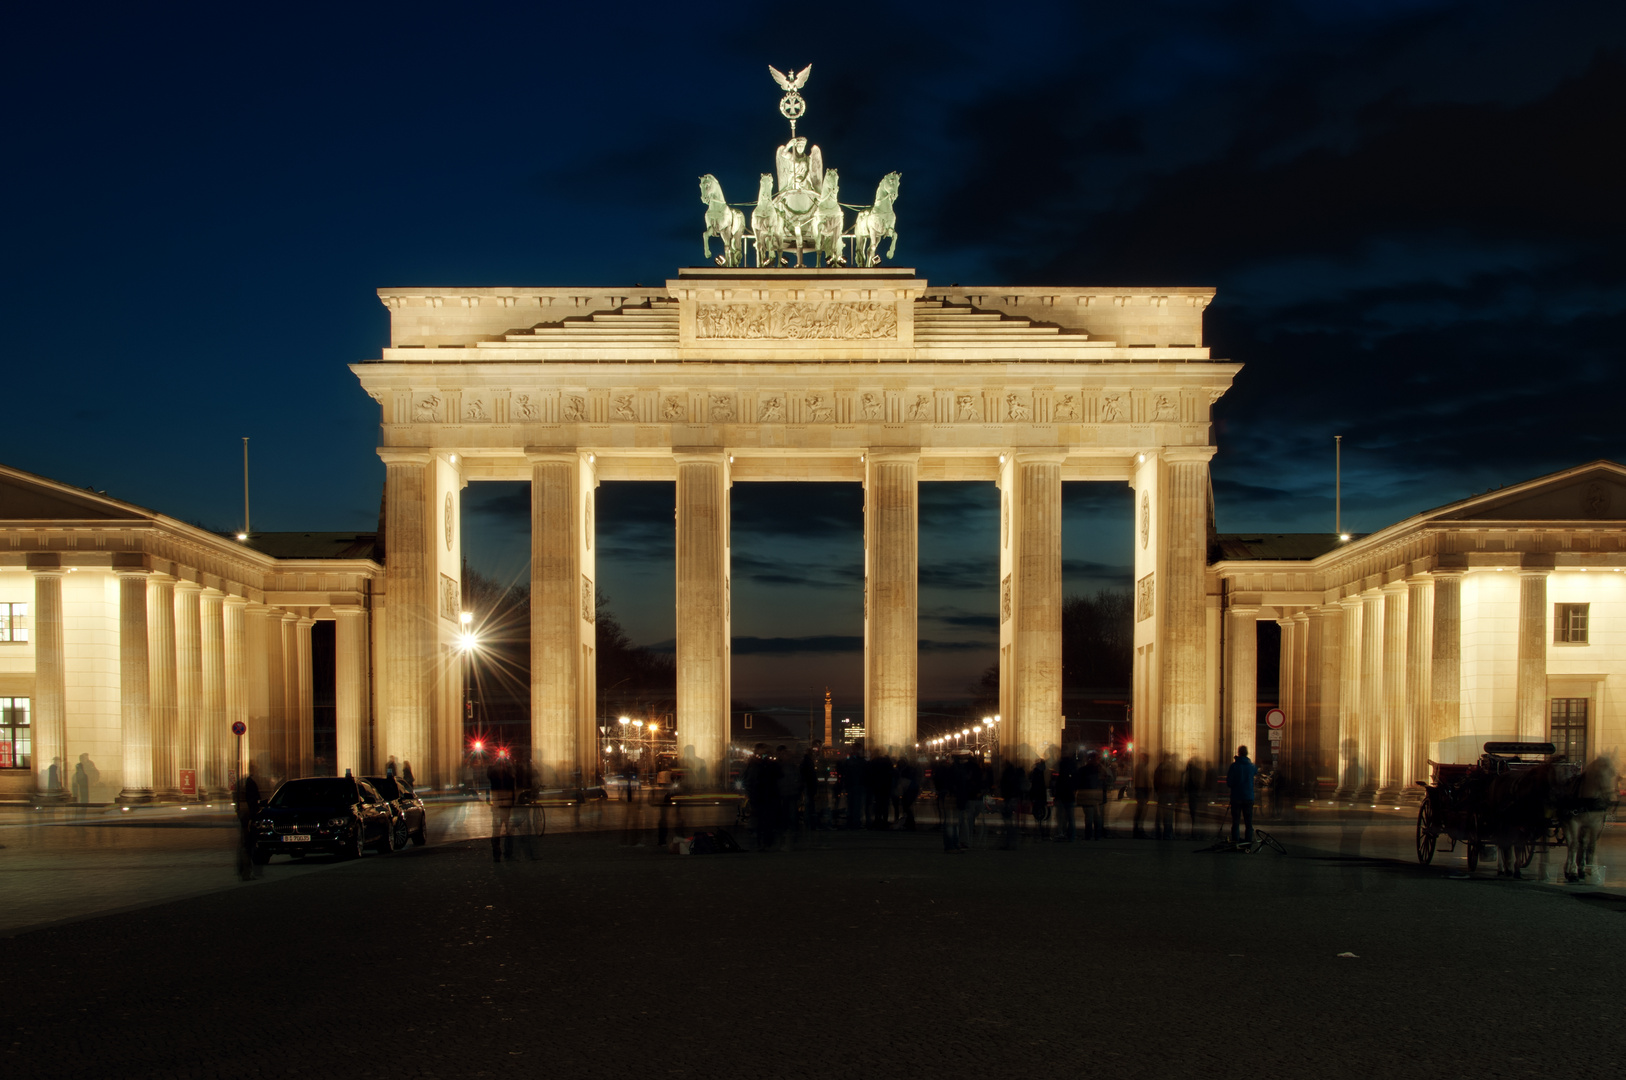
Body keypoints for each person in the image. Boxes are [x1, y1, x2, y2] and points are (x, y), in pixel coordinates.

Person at [488, 754, 517, 862]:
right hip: (504, 804)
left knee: (499, 830)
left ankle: (499, 853)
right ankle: (505, 853)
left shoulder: (496, 772)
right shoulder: (505, 772)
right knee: (505, 830)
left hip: (500, 804)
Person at [1227, 745, 1258, 844]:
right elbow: (1255, 772)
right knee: (1248, 821)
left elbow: (1229, 783)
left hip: (1236, 797)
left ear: (1239, 753)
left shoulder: (1234, 766)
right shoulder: (1252, 766)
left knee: (1235, 821)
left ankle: (1236, 840)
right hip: (1248, 796)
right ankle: (1248, 840)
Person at [1153, 752, 1180, 840]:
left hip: (1162, 793)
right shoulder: (1173, 767)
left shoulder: (1160, 768)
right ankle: (1168, 834)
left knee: (1160, 815)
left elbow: (1155, 781)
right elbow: (1177, 780)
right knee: (1169, 815)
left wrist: (1157, 791)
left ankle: (1158, 833)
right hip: (1171, 793)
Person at [1052, 753, 1077, 841]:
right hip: (1070, 797)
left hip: (1062, 797)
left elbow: (1058, 787)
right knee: (1070, 817)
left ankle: (1061, 833)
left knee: (1060, 817)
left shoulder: (1061, 776)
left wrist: (1056, 797)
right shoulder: (1072, 774)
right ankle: (1071, 836)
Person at [1183, 756, 1205, 839]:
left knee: (1194, 814)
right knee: (1197, 815)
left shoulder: (1189, 772)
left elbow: (1186, 783)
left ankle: (1195, 833)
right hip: (1197, 794)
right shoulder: (1200, 772)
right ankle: (1197, 833)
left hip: (1192, 795)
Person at [1029, 758, 1049, 840]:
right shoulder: (1039, 773)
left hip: (1038, 796)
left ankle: (1039, 830)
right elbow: (1039, 786)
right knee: (1039, 813)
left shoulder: (1036, 772)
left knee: (1038, 814)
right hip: (1039, 795)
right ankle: (1040, 831)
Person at [1132, 754, 1151, 838]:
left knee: (1140, 812)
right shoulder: (1141, 767)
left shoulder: (1141, 767)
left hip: (1141, 791)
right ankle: (1138, 830)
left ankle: (1137, 829)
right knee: (1141, 812)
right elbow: (1143, 781)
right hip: (1142, 791)